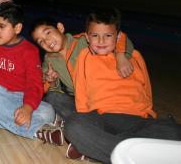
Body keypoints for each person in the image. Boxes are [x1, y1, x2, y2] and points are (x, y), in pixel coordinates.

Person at [64, 8, 181, 163]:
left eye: (108, 36)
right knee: (74, 126)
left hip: (138, 119)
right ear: (87, 37)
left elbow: (146, 89)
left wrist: (147, 113)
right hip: (102, 117)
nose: (101, 41)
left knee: (173, 131)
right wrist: (85, 116)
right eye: (95, 36)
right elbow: (81, 91)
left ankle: (117, 152)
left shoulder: (135, 56)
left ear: (118, 37)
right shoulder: (85, 57)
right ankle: (135, 154)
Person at [0, 2, 56, 142]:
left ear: (17, 28)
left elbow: (34, 83)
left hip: (19, 99)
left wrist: (27, 107)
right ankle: (38, 131)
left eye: (2, 26)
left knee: (48, 112)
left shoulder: (29, 51)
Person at [30, 17, 134, 121]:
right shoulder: (49, 60)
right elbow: (47, 87)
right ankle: (87, 122)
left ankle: (87, 123)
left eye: (48, 33)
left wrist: (121, 55)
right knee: (52, 98)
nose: (46, 41)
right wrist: (51, 81)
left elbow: (119, 37)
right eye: (41, 41)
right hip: (81, 104)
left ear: (60, 28)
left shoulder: (84, 41)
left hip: (105, 96)